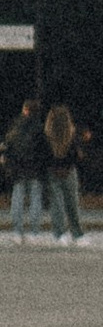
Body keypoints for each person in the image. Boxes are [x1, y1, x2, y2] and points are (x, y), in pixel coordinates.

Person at [41, 103, 86, 244]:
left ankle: (59, 234)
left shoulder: (46, 135)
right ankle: (77, 234)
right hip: (69, 171)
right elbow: (77, 155)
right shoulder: (72, 134)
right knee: (72, 204)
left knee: (57, 205)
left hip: (52, 171)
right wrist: (67, 167)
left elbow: (43, 156)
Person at [6, 96, 43, 243]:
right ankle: (34, 233)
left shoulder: (17, 125)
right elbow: (43, 149)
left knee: (17, 201)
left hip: (19, 168)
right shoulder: (39, 127)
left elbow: (10, 144)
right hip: (35, 168)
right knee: (35, 201)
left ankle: (17, 233)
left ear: (25, 110)